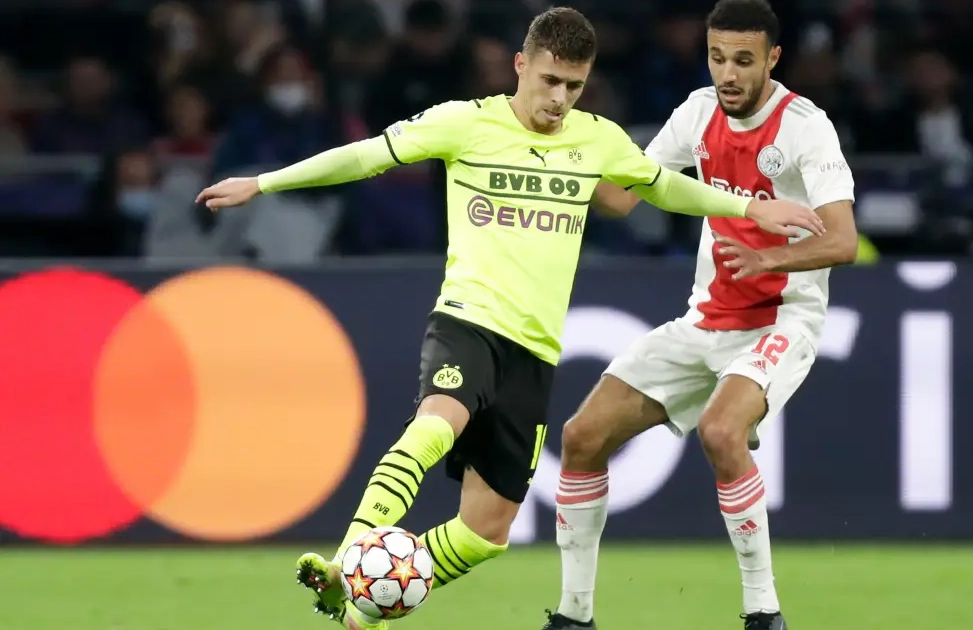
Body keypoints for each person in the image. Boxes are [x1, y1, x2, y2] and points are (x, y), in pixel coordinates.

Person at [195, 7, 824, 630]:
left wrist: (749, 208)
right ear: (520, 65)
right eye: (549, 81)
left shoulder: (596, 138)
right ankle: (347, 561)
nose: (559, 99)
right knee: (436, 423)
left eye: (573, 86)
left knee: (486, 532)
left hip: (534, 353)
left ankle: (368, 601)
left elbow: (661, 186)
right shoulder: (465, 123)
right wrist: (264, 183)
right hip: (469, 322)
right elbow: (366, 157)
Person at [540, 2, 859, 630]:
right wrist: (555, 152)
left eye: (743, 60)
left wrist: (768, 257)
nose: (728, 74)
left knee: (720, 430)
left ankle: (763, 612)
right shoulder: (696, 112)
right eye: (717, 58)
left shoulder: (806, 127)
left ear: (772, 58)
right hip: (706, 321)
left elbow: (844, 241)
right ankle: (574, 617)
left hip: (781, 321)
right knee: (581, 437)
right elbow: (621, 197)